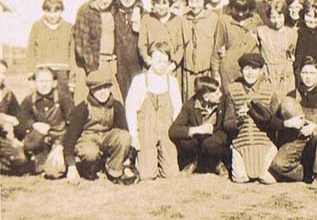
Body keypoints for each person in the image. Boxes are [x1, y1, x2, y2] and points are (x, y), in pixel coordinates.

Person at [270, 57, 317, 188]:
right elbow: (273, 122)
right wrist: (288, 123)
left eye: (312, 73)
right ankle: (305, 174)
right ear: (299, 74)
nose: (308, 77)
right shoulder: (292, 95)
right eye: (305, 73)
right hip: (298, 141)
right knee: (277, 165)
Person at [63, 70, 134, 185]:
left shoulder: (116, 106)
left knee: (124, 137)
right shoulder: (82, 108)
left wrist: (127, 160)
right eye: (97, 89)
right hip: (88, 139)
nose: (102, 92)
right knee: (91, 153)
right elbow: (69, 139)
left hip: (107, 137)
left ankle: (113, 171)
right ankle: (87, 169)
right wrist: (71, 166)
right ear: (91, 90)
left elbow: (124, 131)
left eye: (105, 88)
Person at [126, 42, 182, 180]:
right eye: (158, 61)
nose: (162, 65)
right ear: (149, 60)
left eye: (165, 61)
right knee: (147, 174)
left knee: (172, 173)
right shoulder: (139, 81)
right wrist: (134, 135)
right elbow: (130, 108)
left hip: (166, 130)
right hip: (147, 130)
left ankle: (162, 158)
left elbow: (178, 108)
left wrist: (173, 133)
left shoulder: (172, 82)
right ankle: (137, 159)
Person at [223, 53, 281, 184]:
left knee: (267, 179)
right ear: (241, 71)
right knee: (240, 179)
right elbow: (227, 124)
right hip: (241, 145)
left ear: (261, 71)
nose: (250, 73)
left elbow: (276, 123)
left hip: (265, 145)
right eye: (246, 69)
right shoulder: (233, 90)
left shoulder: (269, 90)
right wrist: (239, 118)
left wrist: (263, 116)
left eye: (254, 69)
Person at [15, 67, 74, 178]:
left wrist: (61, 146)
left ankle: (58, 161)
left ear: (54, 83)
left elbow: (73, 125)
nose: (44, 85)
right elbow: (20, 122)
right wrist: (33, 125)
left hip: (59, 140)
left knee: (53, 173)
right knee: (26, 148)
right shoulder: (28, 100)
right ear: (35, 83)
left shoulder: (64, 99)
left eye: (47, 81)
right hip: (40, 143)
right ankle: (38, 160)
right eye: (41, 81)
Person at [73, 0, 123, 105]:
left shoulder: (113, 11)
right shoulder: (85, 10)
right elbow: (82, 43)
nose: (104, 0)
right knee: (86, 100)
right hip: (91, 63)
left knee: (114, 100)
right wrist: (92, 69)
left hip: (109, 63)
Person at [169, 76, 229, 176]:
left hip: (215, 137)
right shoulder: (190, 105)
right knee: (185, 140)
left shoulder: (222, 102)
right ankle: (192, 161)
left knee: (211, 144)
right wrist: (197, 130)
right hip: (198, 139)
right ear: (206, 97)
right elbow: (173, 130)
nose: (221, 94)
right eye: (217, 93)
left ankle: (218, 162)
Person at [26, 0, 76, 101]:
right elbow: (31, 51)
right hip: (42, 71)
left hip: (63, 73)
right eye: (49, 11)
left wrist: (72, 79)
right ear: (44, 11)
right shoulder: (37, 26)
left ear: (61, 11)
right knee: (42, 102)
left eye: (56, 11)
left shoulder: (68, 27)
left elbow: (72, 54)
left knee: (65, 102)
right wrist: (31, 76)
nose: (52, 15)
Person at [211, 0, 262, 91]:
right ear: (231, 6)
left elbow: (263, 45)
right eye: (237, 9)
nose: (240, 14)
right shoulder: (224, 21)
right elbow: (217, 48)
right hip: (230, 70)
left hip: (251, 72)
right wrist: (215, 73)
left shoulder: (256, 20)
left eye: (244, 10)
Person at [179, 0, 219, 100]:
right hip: (188, 71)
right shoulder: (183, 19)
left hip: (205, 70)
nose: (195, 5)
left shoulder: (213, 18)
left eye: (198, 2)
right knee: (190, 102)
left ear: (204, 1)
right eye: (192, 1)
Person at [257, 0, 298, 99]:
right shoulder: (262, 31)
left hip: (284, 75)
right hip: (267, 73)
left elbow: (292, 52)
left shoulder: (292, 33)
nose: (276, 21)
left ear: (285, 16)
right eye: (273, 17)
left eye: (280, 17)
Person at [138, 0, 182, 80]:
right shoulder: (147, 19)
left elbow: (181, 46)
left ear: (170, 4)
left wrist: (173, 65)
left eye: (164, 3)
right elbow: (142, 44)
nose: (161, 7)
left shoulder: (177, 20)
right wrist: (149, 61)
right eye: (158, 3)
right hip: (151, 67)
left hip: (170, 69)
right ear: (153, 4)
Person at [113, 0, 144, 99]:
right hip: (119, 62)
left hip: (137, 62)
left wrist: (138, 8)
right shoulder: (114, 13)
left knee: (137, 94)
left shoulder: (141, 14)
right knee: (122, 94)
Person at [0, 60, 29, 175]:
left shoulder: (8, 95)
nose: (1, 77)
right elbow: (7, 119)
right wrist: (4, 118)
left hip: (3, 139)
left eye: (3, 73)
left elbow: (19, 117)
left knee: (21, 158)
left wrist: (22, 139)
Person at [294, 0, 317, 77]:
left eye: (316, 17)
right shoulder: (298, 33)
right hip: (301, 74)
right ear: (303, 15)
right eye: (309, 16)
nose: (312, 20)